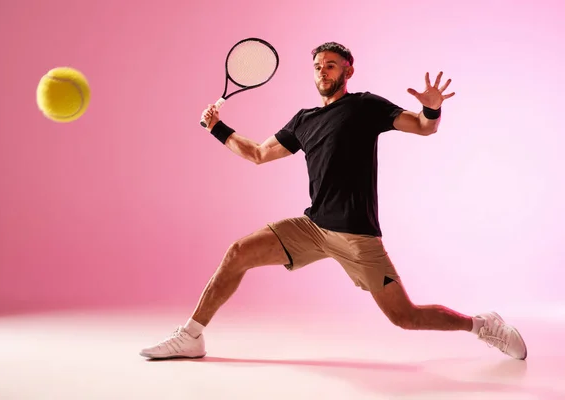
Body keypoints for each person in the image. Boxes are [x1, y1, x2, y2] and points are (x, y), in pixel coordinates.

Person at [140, 42, 527, 361]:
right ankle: (192, 336)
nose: (323, 72)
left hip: (358, 237)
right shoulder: (304, 120)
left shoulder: (364, 107)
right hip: (313, 228)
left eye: (331, 66)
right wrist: (217, 128)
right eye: (318, 67)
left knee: (405, 317)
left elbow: (424, 128)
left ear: (348, 71)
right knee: (239, 252)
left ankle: (481, 324)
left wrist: (432, 107)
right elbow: (258, 153)